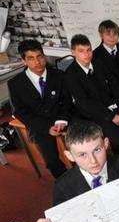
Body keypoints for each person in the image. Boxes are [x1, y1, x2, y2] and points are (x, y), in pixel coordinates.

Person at [8, 39, 72, 178]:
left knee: (79, 147)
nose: (37, 62)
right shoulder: (15, 84)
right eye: (31, 58)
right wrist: (46, 127)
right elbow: (19, 111)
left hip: (62, 118)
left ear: (44, 56)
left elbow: (67, 101)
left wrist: (61, 120)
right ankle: (66, 182)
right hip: (39, 124)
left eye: (40, 57)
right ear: (24, 61)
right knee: (51, 160)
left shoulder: (58, 75)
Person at [64, 34, 119, 154]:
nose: (86, 54)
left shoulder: (98, 63)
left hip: (114, 106)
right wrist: (111, 116)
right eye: (81, 51)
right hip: (97, 115)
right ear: (73, 52)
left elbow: (115, 86)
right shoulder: (70, 75)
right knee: (118, 140)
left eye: (89, 50)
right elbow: (85, 103)